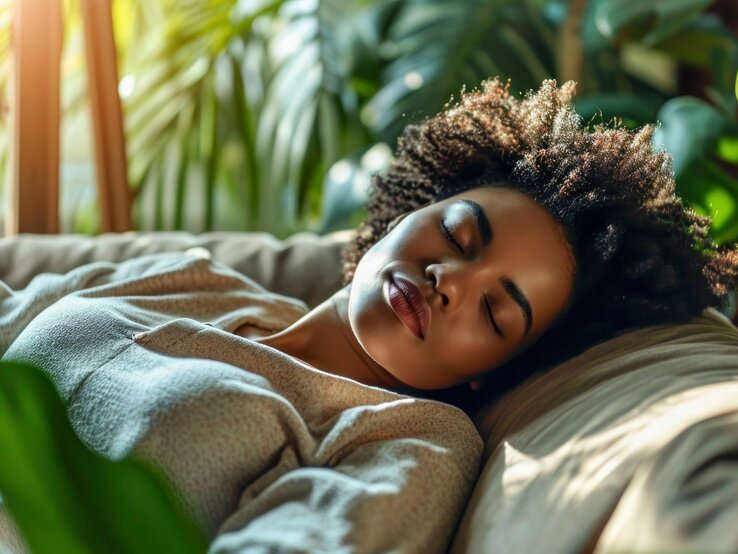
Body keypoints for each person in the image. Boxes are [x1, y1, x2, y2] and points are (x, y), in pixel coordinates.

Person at [237, 77, 738, 414]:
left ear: (488, 374)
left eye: (495, 313)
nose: (450, 281)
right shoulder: (200, 281)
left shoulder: (403, 450)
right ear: (406, 212)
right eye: (456, 234)